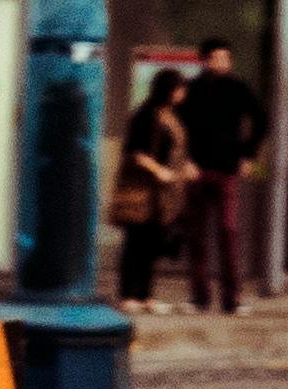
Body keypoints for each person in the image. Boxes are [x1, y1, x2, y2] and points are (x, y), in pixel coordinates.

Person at [173, 42, 268, 313]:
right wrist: (186, 160)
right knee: (197, 234)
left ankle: (232, 298)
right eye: (215, 58)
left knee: (228, 231)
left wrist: (248, 155)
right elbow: (177, 127)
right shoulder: (192, 89)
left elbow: (261, 119)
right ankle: (200, 297)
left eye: (226, 57)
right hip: (197, 169)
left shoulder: (239, 88)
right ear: (204, 61)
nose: (221, 63)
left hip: (227, 169)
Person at [111, 68, 196, 313]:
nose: (182, 94)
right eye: (178, 88)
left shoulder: (173, 116)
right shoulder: (146, 115)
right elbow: (135, 152)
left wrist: (184, 166)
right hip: (143, 190)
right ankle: (128, 294)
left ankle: (146, 294)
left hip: (163, 193)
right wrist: (158, 170)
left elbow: (177, 150)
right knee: (135, 242)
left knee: (151, 243)